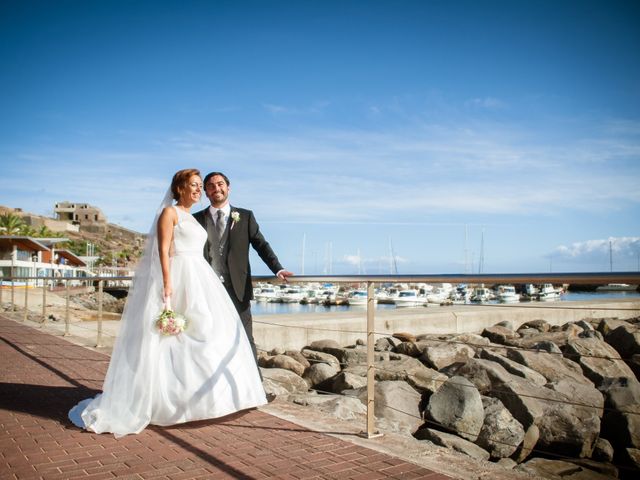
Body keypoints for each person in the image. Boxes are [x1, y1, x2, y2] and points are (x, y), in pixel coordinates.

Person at [68, 169, 266, 437]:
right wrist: (167, 283)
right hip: (180, 276)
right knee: (174, 339)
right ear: (180, 187)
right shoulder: (169, 213)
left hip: (201, 279)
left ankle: (212, 398)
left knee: (209, 331)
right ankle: (170, 402)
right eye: (195, 185)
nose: (199, 190)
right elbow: (163, 251)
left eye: (201, 186)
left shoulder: (194, 219)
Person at [193, 172, 292, 363]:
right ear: (206, 192)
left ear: (228, 188)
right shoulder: (195, 219)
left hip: (238, 289)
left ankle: (256, 388)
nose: (216, 189)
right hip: (206, 291)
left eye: (220, 184)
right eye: (211, 186)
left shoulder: (245, 216)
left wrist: (277, 269)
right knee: (208, 340)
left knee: (245, 339)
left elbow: (261, 245)